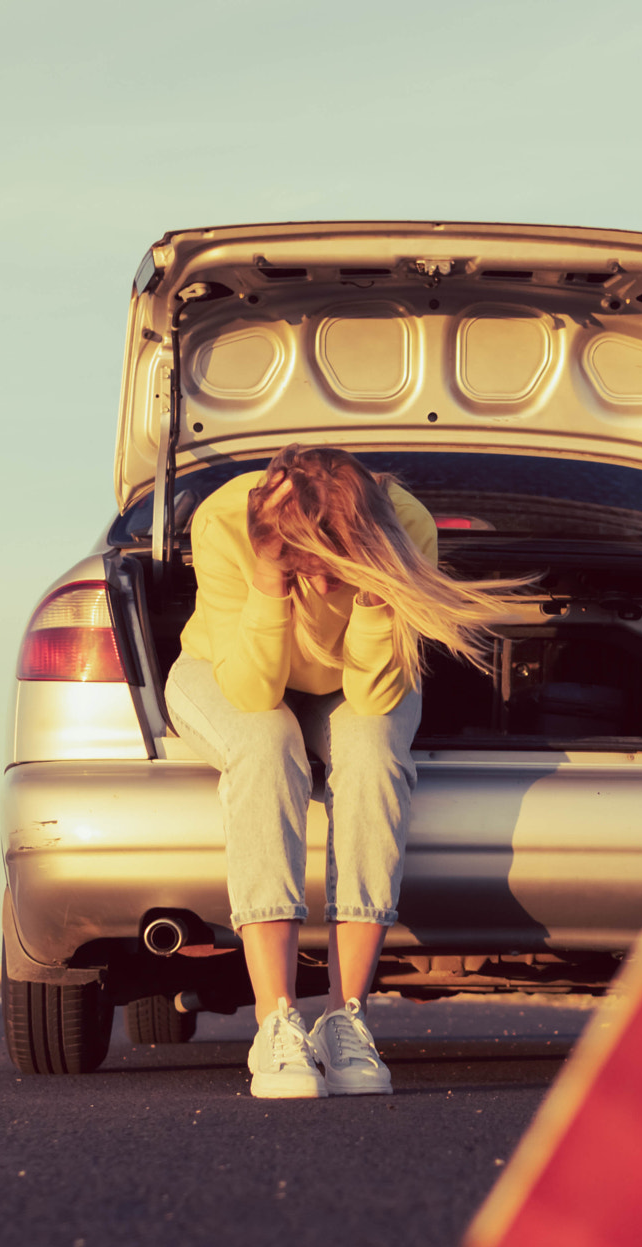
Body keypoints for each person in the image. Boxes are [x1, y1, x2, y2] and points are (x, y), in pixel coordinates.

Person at [164, 445, 529, 1098]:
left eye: (340, 566)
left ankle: (345, 1018)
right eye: (315, 566)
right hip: (227, 671)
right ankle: (276, 1022)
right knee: (265, 739)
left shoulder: (404, 526)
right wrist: (274, 584)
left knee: (370, 750)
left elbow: (373, 696)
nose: (323, 584)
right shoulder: (222, 522)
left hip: (361, 682)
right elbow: (251, 689)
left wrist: (371, 595)